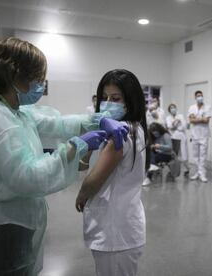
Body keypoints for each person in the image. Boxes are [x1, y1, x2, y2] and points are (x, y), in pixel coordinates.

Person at [0, 37, 128, 276]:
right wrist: (75, 148)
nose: (41, 84)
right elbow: (28, 177)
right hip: (1, 228)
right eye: (37, 77)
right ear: (16, 77)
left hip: (9, 223)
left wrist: (96, 120)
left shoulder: (11, 110)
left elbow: (55, 124)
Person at [75, 69, 149, 276]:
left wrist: (82, 194)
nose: (108, 103)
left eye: (115, 98)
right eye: (104, 98)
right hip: (122, 225)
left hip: (115, 232)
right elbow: (83, 165)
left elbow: (94, 180)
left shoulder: (121, 133)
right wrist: (89, 142)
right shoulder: (134, 128)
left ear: (130, 101)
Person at [188, 90, 211, 182]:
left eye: (201, 95)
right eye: (198, 96)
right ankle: (197, 172)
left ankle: (202, 174)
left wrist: (196, 119)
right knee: (195, 156)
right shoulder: (191, 107)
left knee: (203, 156)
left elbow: (206, 121)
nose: (200, 97)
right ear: (195, 97)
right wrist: (201, 118)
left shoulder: (207, 107)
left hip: (204, 135)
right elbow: (191, 120)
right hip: (194, 135)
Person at [165, 103, 190, 177]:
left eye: (174, 107)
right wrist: (176, 122)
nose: (173, 109)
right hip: (173, 137)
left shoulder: (181, 116)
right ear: (169, 110)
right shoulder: (168, 118)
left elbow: (183, 126)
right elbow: (170, 126)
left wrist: (174, 125)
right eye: (171, 108)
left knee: (184, 153)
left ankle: (187, 168)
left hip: (182, 136)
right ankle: (173, 169)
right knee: (175, 154)